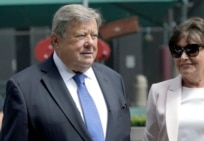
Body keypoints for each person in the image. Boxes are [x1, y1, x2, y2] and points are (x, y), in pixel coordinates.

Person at [0, 4, 130, 141]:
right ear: (56, 40)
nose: (90, 43)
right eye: (81, 36)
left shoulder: (114, 80)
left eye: (94, 36)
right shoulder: (24, 88)